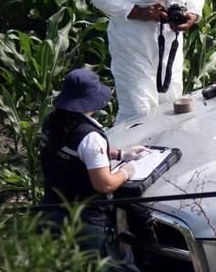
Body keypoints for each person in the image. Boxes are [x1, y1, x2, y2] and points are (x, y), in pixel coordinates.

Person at [39, 68, 148, 250]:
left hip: (50, 212)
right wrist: (126, 172)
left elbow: (77, 152)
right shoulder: (90, 137)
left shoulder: (52, 121)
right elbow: (104, 184)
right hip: (84, 224)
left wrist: (120, 154)